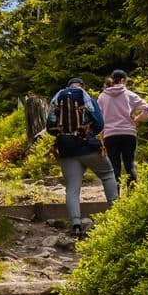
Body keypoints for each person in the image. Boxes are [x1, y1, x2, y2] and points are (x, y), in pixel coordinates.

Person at [46, 76, 118, 239]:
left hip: (66, 150)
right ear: (82, 86)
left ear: (68, 86)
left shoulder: (58, 99)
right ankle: (116, 213)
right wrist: (88, 132)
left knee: (72, 187)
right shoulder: (87, 99)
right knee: (107, 175)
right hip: (88, 147)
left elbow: (50, 127)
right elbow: (100, 124)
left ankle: (76, 224)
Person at [99, 69, 148, 189]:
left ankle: (115, 200)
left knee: (114, 167)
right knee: (129, 165)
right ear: (123, 80)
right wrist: (137, 118)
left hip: (110, 135)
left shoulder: (102, 96)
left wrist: (101, 137)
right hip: (128, 133)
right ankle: (131, 200)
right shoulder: (130, 95)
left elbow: (99, 118)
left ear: (112, 80)